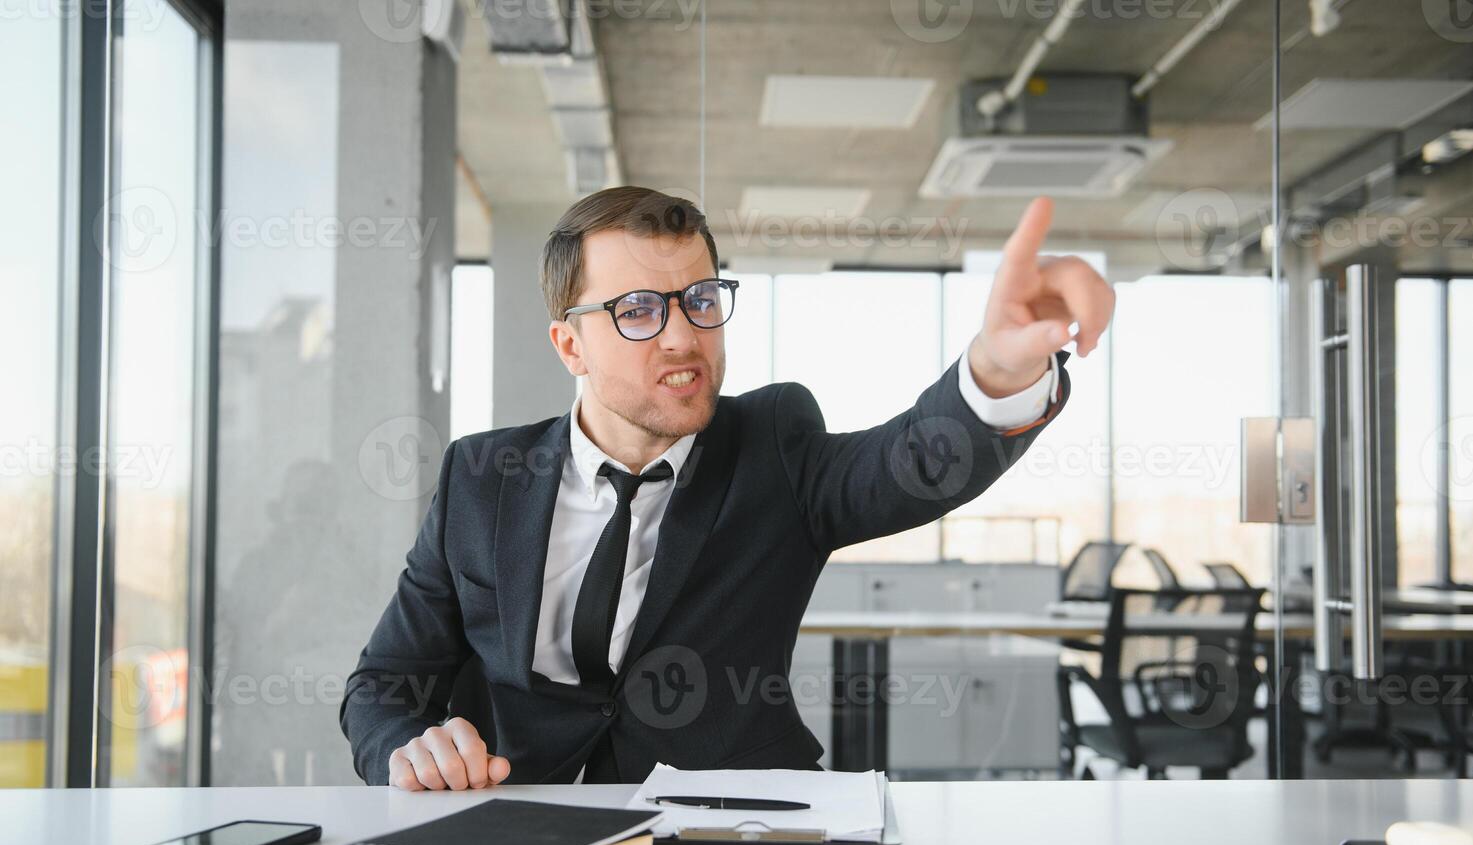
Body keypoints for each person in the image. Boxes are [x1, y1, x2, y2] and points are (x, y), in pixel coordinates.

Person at [340, 187, 1113, 789]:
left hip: (730, 835)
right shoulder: (481, 477)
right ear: (570, 343)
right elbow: (384, 685)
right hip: (519, 818)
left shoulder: (773, 445)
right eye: (637, 310)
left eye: (700, 300)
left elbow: (907, 465)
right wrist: (407, 750)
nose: (682, 335)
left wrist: (1000, 371)